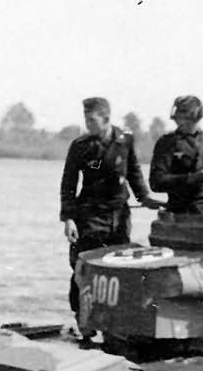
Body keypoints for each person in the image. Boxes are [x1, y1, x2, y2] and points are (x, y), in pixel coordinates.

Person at [60, 97, 161, 320]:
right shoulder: (80, 146)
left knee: (119, 266)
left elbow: (133, 171)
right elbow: (68, 184)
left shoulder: (124, 140)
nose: (88, 124)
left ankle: (115, 323)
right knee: (83, 267)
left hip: (118, 214)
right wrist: (69, 219)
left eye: (92, 119)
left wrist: (144, 197)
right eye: (86, 119)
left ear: (106, 118)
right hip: (89, 214)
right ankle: (83, 322)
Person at [149, 95, 203, 215]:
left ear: (196, 117)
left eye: (184, 118)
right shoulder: (167, 142)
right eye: (178, 117)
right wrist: (191, 178)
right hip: (178, 210)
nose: (179, 121)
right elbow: (156, 182)